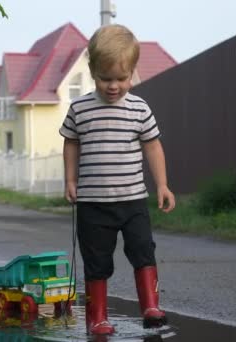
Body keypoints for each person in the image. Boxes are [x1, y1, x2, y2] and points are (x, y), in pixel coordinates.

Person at [59, 24, 176, 335]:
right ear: (92, 71)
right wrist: (70, 179)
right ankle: (97, 317)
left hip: (133, 200)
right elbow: (70, 142)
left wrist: (162, 184)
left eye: (121, 79)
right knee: (96, 260)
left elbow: (153, 145)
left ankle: (150, 306)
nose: (113, 86)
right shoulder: (80, 108)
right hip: (92, 204)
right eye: (105, 79)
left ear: (132, 73)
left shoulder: (139, 108)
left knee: (142, 250)